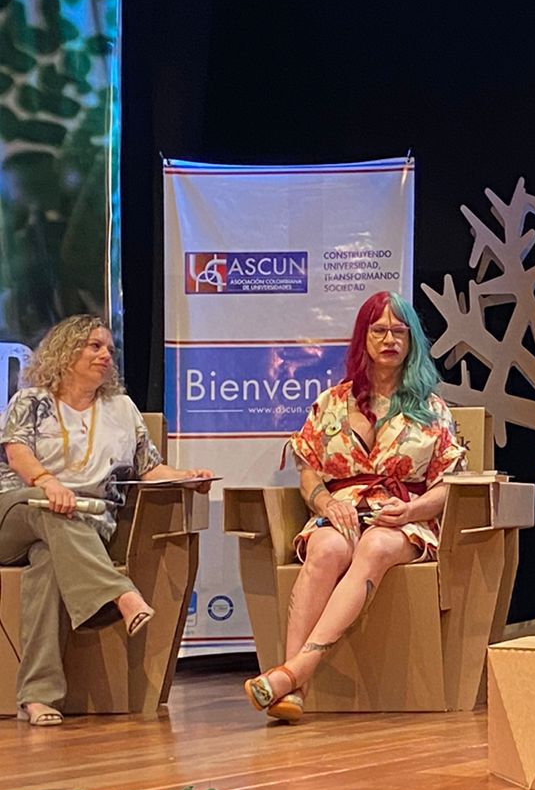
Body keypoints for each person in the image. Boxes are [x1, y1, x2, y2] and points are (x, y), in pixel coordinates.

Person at [245, 291, 465, 722]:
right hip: (342, 509)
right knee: (326, 549)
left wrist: (414, 511)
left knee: (377, 546)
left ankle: (292, 673)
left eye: (399, 332)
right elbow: (308, 470)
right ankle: (293, 691)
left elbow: (449, 486)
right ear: (362, 339)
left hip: (402, 518)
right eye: (379, 330)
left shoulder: (432, 409)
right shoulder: (331, 402)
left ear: (412, 341)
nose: (389, 340)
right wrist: (326, 500)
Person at [0, 315, 214, 726]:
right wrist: (47, 483)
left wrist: (187, 478)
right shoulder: (30, 400)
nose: (105, 356)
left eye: (109, 350)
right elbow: (17, 454)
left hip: (83, 526)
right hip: (17, 510)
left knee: (48, 562)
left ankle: (36, 696)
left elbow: (148, 469)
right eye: (94, 346)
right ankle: (121, 594)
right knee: (46, 508)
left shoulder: (121, 409)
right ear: (65, 351)